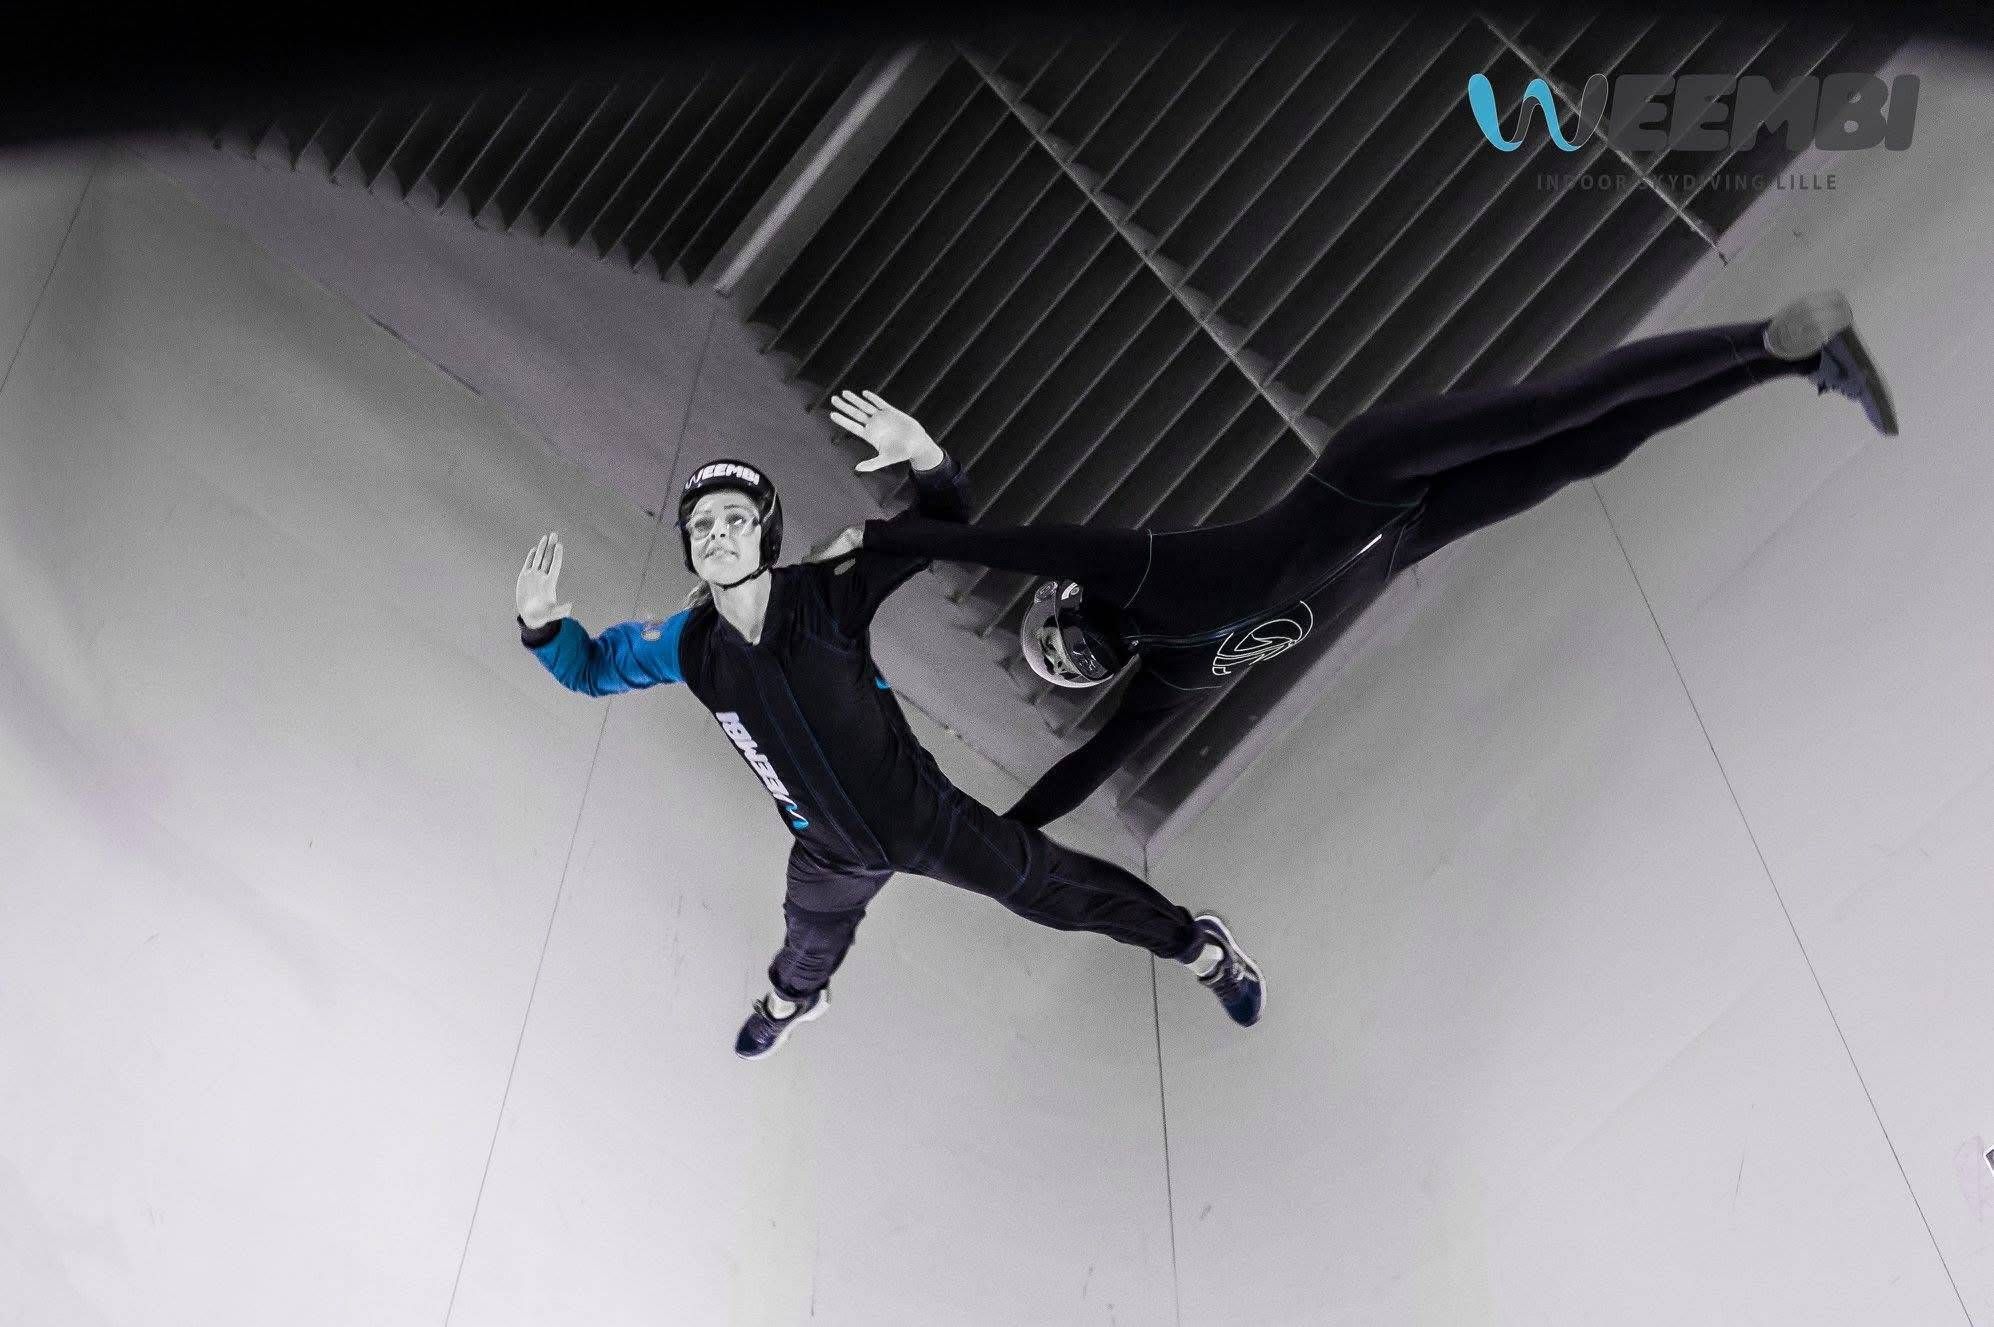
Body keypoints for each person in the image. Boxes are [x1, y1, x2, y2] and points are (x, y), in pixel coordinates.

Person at [818, 291, 1899, 828]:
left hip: (1370, 486)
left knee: (1567, 423)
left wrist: (889, 532)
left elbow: (1015, 577)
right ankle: (1791, 362)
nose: (1069, 648)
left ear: (1074, 626)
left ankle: (1766, 345)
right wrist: (993, 835)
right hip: (1404, 521)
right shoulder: (1159, 653)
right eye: (1059, 650)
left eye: (1057, 647)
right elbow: (1076, 738)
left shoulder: (1142, 609)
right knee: (1577, 435)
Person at [514, 391, 1264, 1061]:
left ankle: (1199, 948)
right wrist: (542, 627)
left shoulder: (830, 591)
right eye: (701, 525)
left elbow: (944, 525)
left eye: (735, 518)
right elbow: (592, 668)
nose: (717, 534)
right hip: (828, 849)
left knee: (1050, 888)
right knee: (807, 939)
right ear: (689, 547)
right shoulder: (688, 644)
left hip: (925, 823)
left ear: (766, 535)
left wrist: (927, 458)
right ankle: (789, 1003)